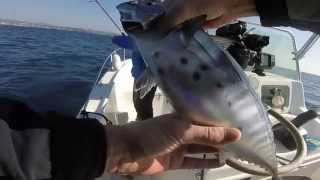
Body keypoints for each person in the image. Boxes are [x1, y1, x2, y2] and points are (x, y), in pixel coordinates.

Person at [1, 0, 319, 180]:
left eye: (146, 5)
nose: (131, 7)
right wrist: (119, 147)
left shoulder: (174, 33)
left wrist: (118, 147)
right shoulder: (155, 39)